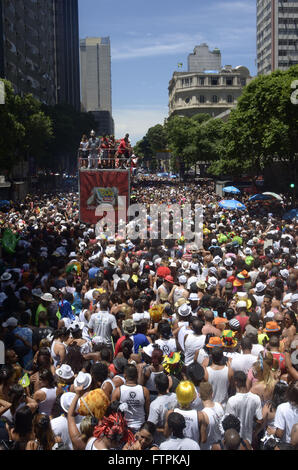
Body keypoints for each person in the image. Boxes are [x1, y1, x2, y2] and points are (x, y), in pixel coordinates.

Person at [225, 370, 263, 445]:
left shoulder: (232, 401)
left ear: (235, 382)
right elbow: (260, 420)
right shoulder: (256, 398)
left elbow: (228, 424)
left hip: (235, 442)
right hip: (249, 441)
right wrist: (254, 433)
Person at [112, 364, 150, 433]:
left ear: (125, 375)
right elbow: (147, 412)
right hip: (140, 428)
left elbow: (113, 412)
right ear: (137, 376)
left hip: (124, 429)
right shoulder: (145, 391)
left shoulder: (117, 391)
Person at [147, 373, 177, 445]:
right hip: (176, 439)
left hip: (162, 442)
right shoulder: (176, 397)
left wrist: (165, 430)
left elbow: (151, 426)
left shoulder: (155, 404)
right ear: (168, 384)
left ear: (156, 386)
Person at [199, 381, 224, 450]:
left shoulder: (203, 415)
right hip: (220, 446)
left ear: (199, 395)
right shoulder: (220, 405)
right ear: (212, 394)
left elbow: (203, 439)